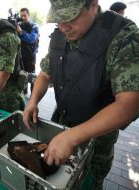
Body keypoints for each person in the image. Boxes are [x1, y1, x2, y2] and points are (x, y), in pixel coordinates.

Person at [23, 0, 139, 189]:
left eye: (70, 17)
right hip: (64, 126)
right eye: (58, 20)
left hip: (97, 141)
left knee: (89, 183)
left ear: (93, 5)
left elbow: (130, 104)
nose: (63, 27)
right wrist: (33, 101)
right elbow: (45, 74)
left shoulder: (122, 36)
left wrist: (72, 137)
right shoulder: (61, 34)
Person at [17, 8, 39, 94]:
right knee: (22, 75)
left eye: (25, 15)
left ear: (28, 15)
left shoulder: (34, 26)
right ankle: (24, 89)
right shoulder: (19, 25)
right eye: (21, 16)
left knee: (32, 76)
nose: (23, 17)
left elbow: (32, 39)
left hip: (30, 56)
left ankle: (33, 94)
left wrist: (21, 32)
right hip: (21, 55)